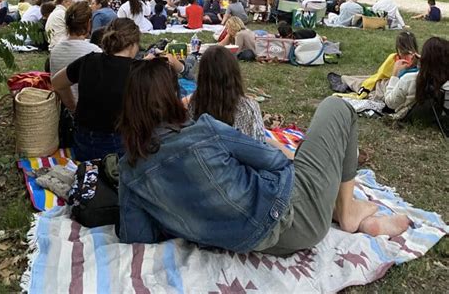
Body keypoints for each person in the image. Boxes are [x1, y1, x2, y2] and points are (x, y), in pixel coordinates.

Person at [118, 60, 410, 250]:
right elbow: (277, 163)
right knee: (337, 107)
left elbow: (138, 238)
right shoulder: (207, 130)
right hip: (291, 220)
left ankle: (338, 205)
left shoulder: (129, 172)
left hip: (247, 242)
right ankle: (346, 212)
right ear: (173, 99)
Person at [52, 18, 141, 161]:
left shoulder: (88, 60)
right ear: (132, 44)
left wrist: (72, 106)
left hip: (82, 141)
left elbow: (57, 83)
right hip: (118, 144)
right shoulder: (137, 70)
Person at [188, 45, 265, 141]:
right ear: (234, 73)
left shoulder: (194, 103)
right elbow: (260, 143)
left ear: (202, 75)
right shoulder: (249, 107)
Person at [384, 37, 449, 120]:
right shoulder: (444, 82)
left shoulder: (409, 79)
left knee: (382, 83)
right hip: (439, 117)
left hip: (409, 116)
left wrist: (394, 73)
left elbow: (390, 103)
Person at [50, 1, 102, 95]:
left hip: (63, 105)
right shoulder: (95, 51)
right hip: (86, 106)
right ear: (89, 23)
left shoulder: (55, 51)